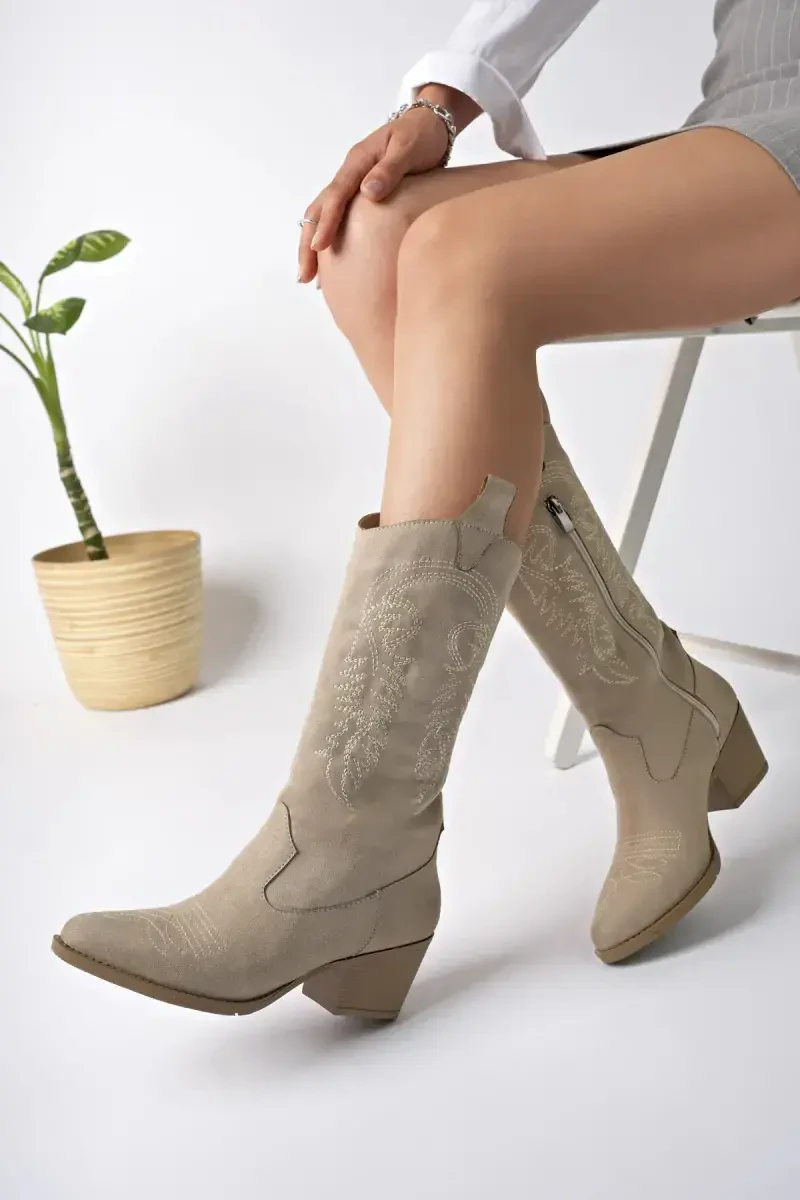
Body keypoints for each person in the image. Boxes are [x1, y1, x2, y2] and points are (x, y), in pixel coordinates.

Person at [52, 0, 789, 1017]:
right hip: (735, 132)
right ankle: (651, 712)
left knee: (465, 254)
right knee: (368, 240)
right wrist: (443, 101)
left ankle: (349, 849)